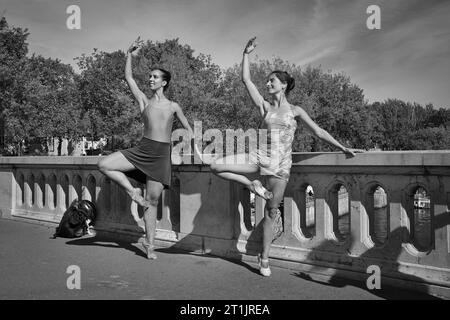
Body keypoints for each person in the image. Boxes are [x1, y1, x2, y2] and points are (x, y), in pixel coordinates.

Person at [210, 37, 363, 276]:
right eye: (268, 81)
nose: (267, 84)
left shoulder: (296, 111)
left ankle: (265, 257)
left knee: (271, 211)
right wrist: (246, 53)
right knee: (216, 166)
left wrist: (342, 147)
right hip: (258, 157)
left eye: (271, 81)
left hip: (280, 167)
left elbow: (318, 131)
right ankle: (252, 183)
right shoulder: (265, 107)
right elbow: (245, 80)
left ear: (283, 85)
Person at [98, 37, 194, 260]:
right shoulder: (144, 101)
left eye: (155, 77)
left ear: (164, 82)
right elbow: (129, 78)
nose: (150, 79)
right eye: (150, 76)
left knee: (152, 202)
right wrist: (129, 55)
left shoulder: (173, 106)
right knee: (104, 164)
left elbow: (189, 129)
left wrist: (182, 147)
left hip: (161, 156)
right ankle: (132, 192)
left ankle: (150, 245)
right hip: (143, 150)